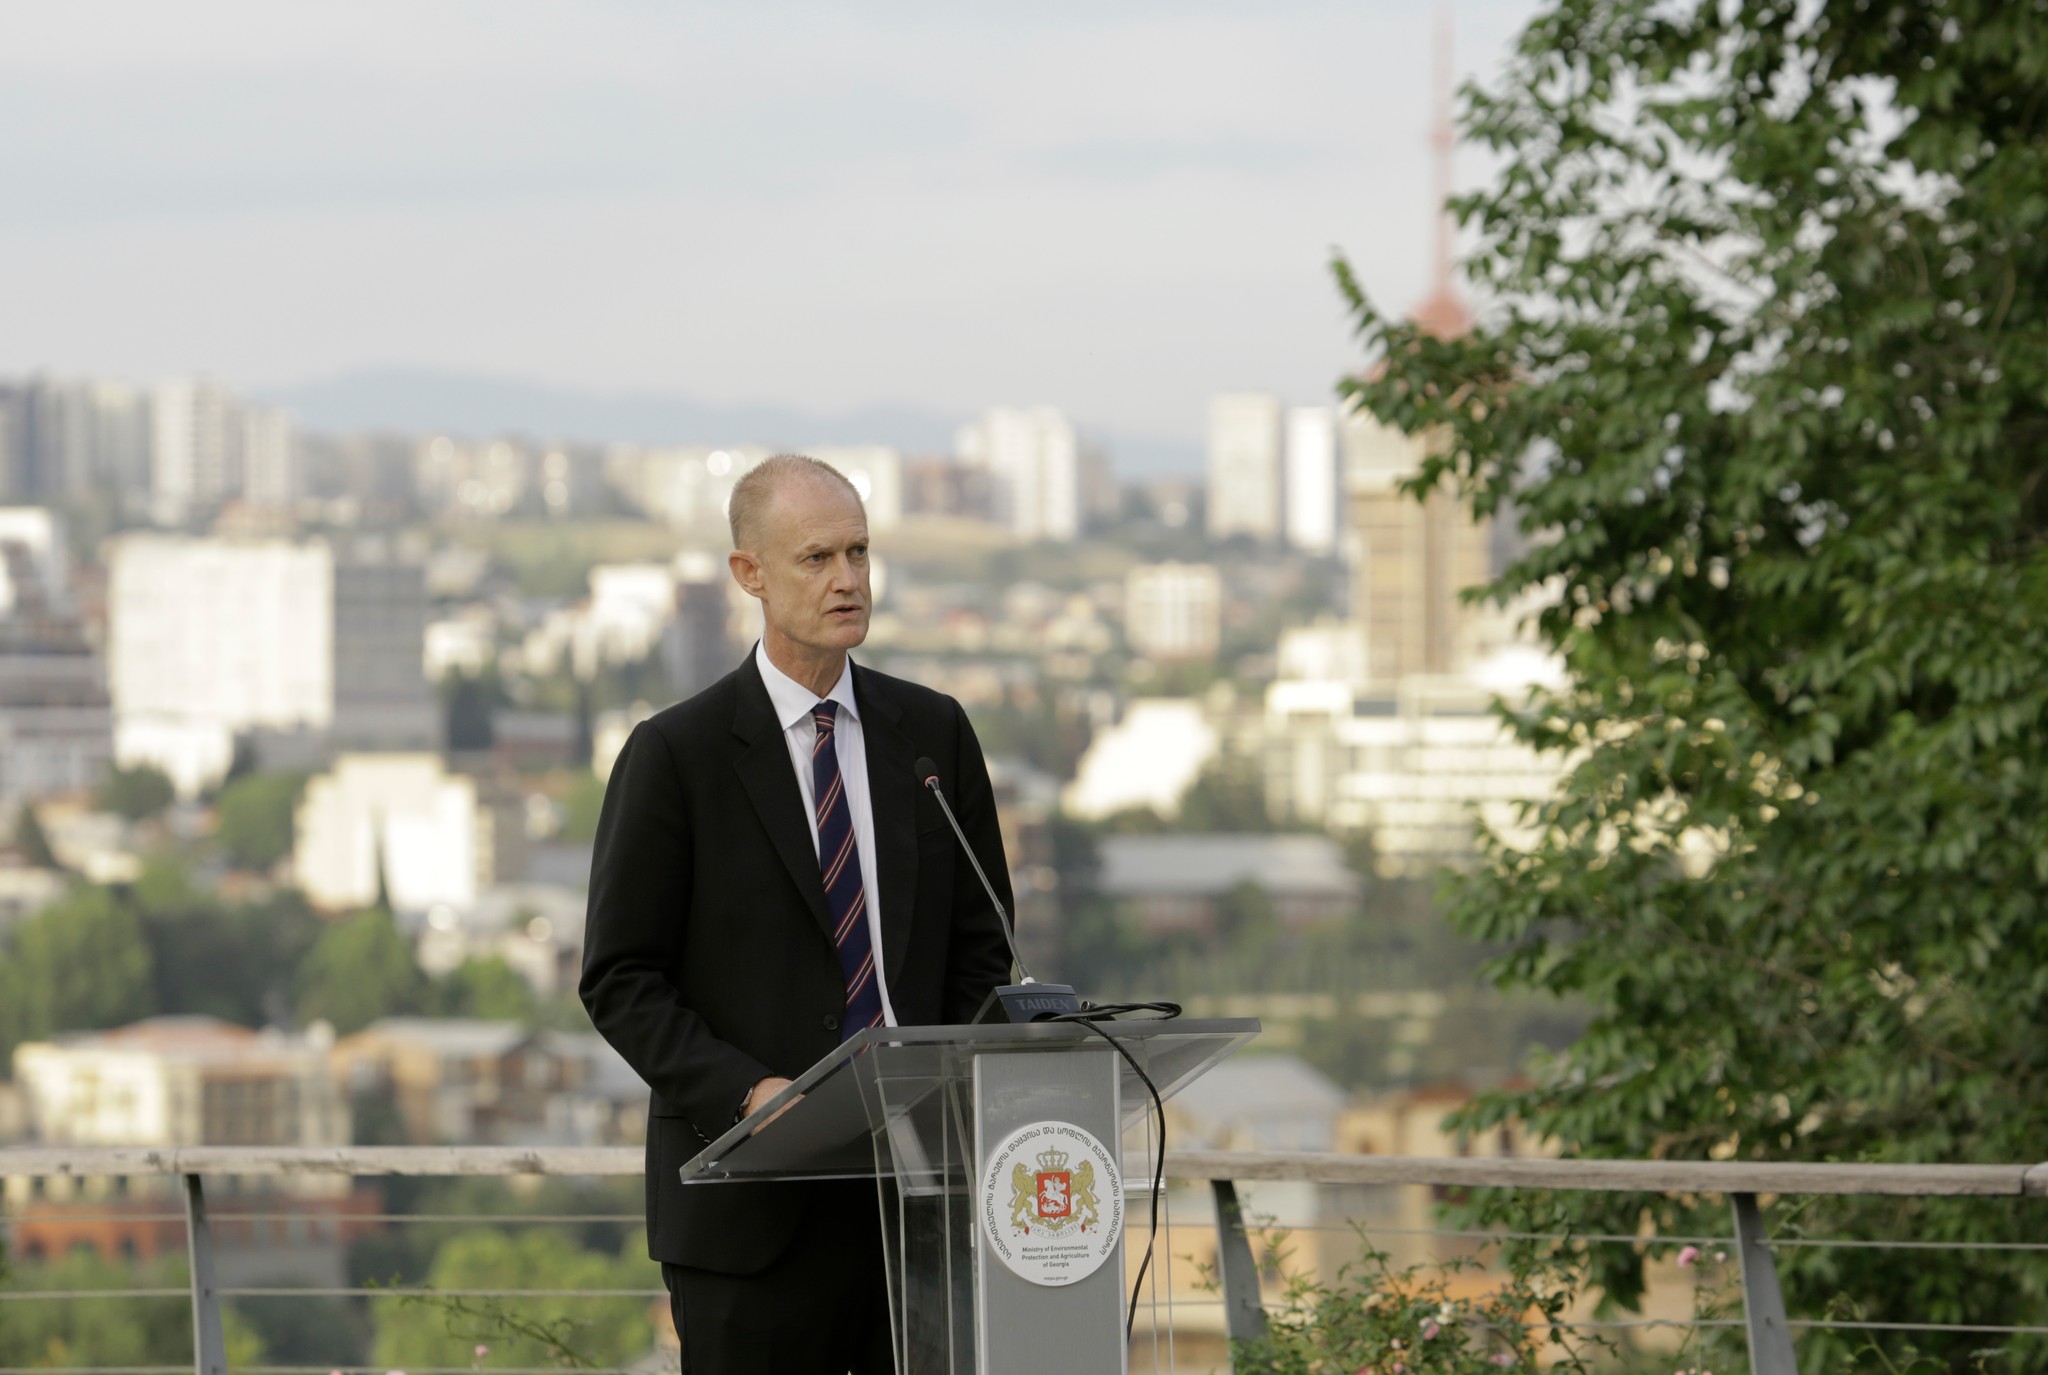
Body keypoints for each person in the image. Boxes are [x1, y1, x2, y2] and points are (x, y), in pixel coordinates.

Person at [579, 453, 1014, 1373]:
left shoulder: (933, 734)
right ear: (751, 573)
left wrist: (937, 1090)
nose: (848, 579)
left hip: (917, 1201)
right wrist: (749, 1094)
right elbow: (620, 978)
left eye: (859, 551)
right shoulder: (676, 755)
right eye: (817, 557)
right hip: (751, 1217)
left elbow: (984, 948)